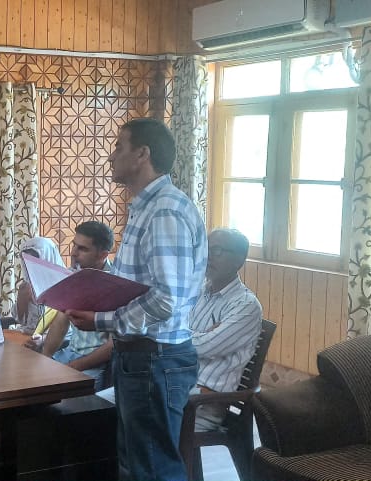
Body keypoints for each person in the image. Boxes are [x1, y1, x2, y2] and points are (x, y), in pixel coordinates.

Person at [69, 118, 207, 481]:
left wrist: (101, 320)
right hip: (140, 356)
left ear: (142, 154)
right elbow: (136, 286)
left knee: (153, 469)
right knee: (136, 464)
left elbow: (166, 299)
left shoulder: (165, 211)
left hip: (155, 358)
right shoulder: (146, 207)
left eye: (119, 146)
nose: (111, 156)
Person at [190, 228, 262, 431]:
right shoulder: (200, 291)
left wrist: (191, 337)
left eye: (218, 250)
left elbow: (205, 347)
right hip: (177, 386)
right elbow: (171, 328)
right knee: (113, 402)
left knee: (128, 412)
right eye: (206, 248)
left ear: (239, 260)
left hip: (201, 403)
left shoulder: (245, 305)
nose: (208, 256)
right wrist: (203, 335)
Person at [32, 221, 115, 390]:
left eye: (82, 249)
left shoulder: (116, 285)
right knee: (30, 381)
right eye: (74, 245)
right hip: (69, 354)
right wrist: (45, 359)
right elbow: (62, 319)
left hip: (95, 364)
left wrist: (72, 368)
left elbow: (113, 346)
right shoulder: (77, 274)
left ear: (103, 255)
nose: (73, 253)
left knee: (58, 396)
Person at [14, 236, 65, 334]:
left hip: (55, 339)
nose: (31, 265)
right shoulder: (27, 285)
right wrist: (22, 299)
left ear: (47, 257)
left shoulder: (65, 284)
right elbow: (20, 320)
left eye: (35, 260)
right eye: (27, 261)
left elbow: (62, 325)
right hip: (29, 335)